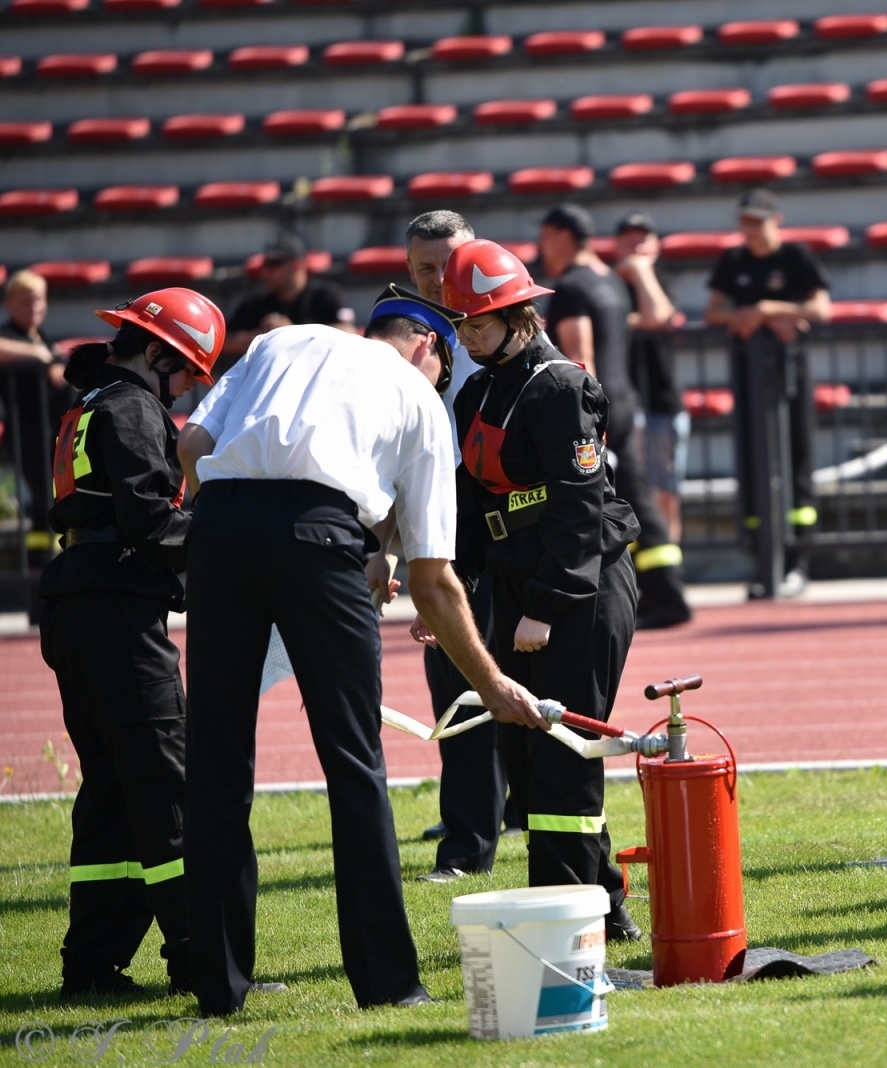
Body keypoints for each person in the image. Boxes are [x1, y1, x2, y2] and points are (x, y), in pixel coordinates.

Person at [175, 312, 545, 1016]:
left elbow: (192, 441)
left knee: (217, 762)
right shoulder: (420, 401)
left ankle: (217, 984)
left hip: (218, 528)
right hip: (319, 539)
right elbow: (435, 583)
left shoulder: (284, 339)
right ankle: (388, 983)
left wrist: (233, 519)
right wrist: (492, 684)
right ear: (429, 347)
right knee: (352, 764)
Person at [438, 238, 643, 942]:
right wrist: (452, 592)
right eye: (461, 323)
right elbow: (470, 504)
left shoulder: (561, 386)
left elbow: (578, 510)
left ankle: (562, 921)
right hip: (514, 581)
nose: (467, 335)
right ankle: (605, 905)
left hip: (575, 587)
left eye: (480, 322)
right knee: (527, 759)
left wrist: (545, 608)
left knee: (560, 756)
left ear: (520, 316)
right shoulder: (475, 389)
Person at [39, 288, 224, 999]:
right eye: (185, 377)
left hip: (78, 600)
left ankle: (92, 966)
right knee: (167, 785)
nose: (184, 393)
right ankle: (200, 958)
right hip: (116, 609)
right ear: (157, 356)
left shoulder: (89, 405)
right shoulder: (135, 407)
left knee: (114, 793)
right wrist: (225, 545)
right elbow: (150, 520)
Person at [395, 209, 525, 879]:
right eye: (424, 269)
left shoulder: (511, 326)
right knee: (458, 685)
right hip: (440, 516)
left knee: (509, 679)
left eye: (447, 266)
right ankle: (470, 836)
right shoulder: (398, 331)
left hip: (504, 521)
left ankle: (511, 814)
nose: (439, 282)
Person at [540, 204, 692, 629]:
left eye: (545, 238)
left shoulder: (570, 287)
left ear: (559, 235)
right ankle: (666, 590)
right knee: (637, 496)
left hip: (597, 406)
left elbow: (581, 355)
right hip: (624, 400)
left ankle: (592, 599)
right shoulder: (609, 280)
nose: (542, 248)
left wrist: (578, 413)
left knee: (589, 502)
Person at [706, 188, 833, 598]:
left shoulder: (795, 256)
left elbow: (820, 309)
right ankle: (762, 563)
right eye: (744, 222)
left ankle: (798, 559)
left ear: (776, 220)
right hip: (747, 375)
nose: (750, 230)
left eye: (757, 222)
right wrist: (755, 315)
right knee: (752, 465)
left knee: (796, 461)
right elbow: (714, 311)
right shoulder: (733, 260)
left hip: (789, 375)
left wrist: (765, 310)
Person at [615, 210, 690, 545]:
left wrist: (642, 271)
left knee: (665, 488)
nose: (637, 243)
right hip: (624, 401)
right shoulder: (610, 284)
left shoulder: (661, 278)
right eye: (629, 237)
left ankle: (667, 561)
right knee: (629, 489)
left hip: (662, 398)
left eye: (644, 237)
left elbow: (658, 314)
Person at [1, 269, 73, 540]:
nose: (33, 307)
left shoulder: (41, 335)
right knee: (45, 498)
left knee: (57, 494)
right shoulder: (12, 335)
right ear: (9, 304)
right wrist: (38, 355)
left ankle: (48, 554)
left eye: (38, 300)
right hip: (27, 433)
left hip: (54, 430)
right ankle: (41, 563)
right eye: (25, 301)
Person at [219, 234, 356, 370]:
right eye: (265, 264)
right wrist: (262, 338)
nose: (266, 271)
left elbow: (350, 332)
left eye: (274, 263)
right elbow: (223, 341)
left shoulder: (326, 295)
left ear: (297, 265)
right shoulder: (255, 301)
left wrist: (291, 333)